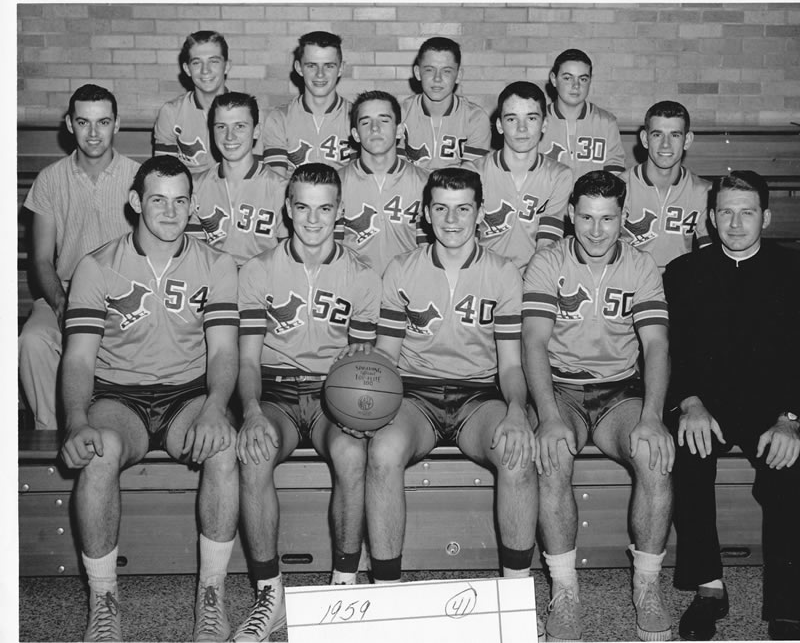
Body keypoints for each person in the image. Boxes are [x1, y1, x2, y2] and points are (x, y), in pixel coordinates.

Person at [60, 156, 240, 642]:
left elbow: (224, 350)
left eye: (181, 200)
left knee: (224, 450)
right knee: (99, 454)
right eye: (158, 199)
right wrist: (76, 421)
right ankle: (104, 601)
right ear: (136, 202)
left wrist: (214, 407)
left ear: (191, 205)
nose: (170, 210)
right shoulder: (96, 266)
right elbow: (78, 359)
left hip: (187, 394)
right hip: (120, 396)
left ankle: (211, 598)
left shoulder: (217, 263)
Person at [366, 167, 538, 585]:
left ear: (480, 213)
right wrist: (370, 406)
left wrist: (517, 410)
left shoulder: (504, 272)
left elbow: (512, 365)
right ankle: (386, 589)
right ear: (426, 213)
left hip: (478, 397)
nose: (452, 219)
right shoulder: (401, 269)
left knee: (517, 454)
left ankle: (515, 592)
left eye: (463, 209)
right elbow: (387, 356)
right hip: (415, 396)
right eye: (441, 208)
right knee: (382, 453)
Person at [522, 170, 674, 642]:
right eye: (586, 217)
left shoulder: (642, 265)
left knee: (654, 456)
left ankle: (646, 586)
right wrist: (547, 417)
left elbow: (656, 346)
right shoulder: (547, 262)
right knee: (551, 457)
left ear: (622, 217)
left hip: (617, 393)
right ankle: (564, 592)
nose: (595, 230)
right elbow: (533, 342)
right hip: (561, 391)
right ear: (571, 215)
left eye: (607, 219)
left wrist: (651, 416)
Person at [233, 163, 381, 641]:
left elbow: (361, 362)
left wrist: (360, 409)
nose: (313, 219)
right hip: (274, 388)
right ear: (287, 209)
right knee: (253, 455)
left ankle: (343, 586)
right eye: (302, 207)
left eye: (324, 209)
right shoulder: (257, 270)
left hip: (330, 391)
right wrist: (252, 412)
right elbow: (249, 361)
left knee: (353, 453)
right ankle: (268, 594)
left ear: (340, 212)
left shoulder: (361, 276)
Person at [664, 171, 800, 641]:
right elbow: (673, 351)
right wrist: (688, 403)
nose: (735, 222)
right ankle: (710, 589)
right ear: (711, 217)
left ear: (765, 217)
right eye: (725, 211)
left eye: (746, 212)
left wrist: (791, 419)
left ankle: (786, 608)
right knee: (688, 458)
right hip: (705, 404)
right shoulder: (684, 273)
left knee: (792, 478)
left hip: (772, 409)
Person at [19, 84, 140, 430]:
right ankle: (52, 432)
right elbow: (41, 259)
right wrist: (60, 303)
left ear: (117, 124)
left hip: (123, 293)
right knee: (32, 341)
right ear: (70, 124)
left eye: (103, 122)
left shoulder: (138, 178)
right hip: (67, 290)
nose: (93, 132)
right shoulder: (49, 180)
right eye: (84, 122)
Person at [465, 81, 573, 272]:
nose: (521, 128)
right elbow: (466, 243)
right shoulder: (474, 173)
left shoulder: (559, 176)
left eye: (531, 118)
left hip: (533, 277)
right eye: (512, 119)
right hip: (481, 276)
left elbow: (546, 245)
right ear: (499, 125)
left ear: (544, 124)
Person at [189, 92, 288, 266]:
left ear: (256, 131)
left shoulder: (281, 189)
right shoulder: (195, 186)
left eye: (239, 126)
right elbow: (193, 256)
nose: (229, 136)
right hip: (213, 285)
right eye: (221, 127)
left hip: (262, 286)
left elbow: (286, 261)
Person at [336, 90, 428, 274]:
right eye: (365, 122)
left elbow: (428, 251)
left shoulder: (426, 183)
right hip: (353, 289)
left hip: (408, 287)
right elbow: (331, 250)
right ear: (355, 134)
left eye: (384, 120)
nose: (375, 128)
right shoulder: (335, 183)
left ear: (399, 130)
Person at [621, 100, 712, 272]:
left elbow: (710, 255)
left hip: (679, 286)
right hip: (630, 285)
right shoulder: (620, 188)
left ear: (687, 140)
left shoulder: (704, 192)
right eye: (657, 134)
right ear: (644, 139)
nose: (665, 144)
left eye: (675, 135)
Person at [261, 31, 355, 178]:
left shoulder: (356, 117)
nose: (320, 74)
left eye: (329, 66)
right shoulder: (279, 118)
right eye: (312, 65)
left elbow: (358, 181)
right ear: (299, 68)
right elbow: (276, 185)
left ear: (341, 68)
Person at [398, 37, 491, 170]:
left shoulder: (474, 118)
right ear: (418, 73)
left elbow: (471, 177)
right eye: (429, 70)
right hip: (410, 189)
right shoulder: (400, 114)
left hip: (456, 189)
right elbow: (396, 173)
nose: (437, 78)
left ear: (458, 75)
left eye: (446, 71)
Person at [539, 49, 627, 178]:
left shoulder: (606, 122)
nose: (576, 85)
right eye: (568, 78)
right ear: (554, 79)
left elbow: (615, 170)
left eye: (583, 79)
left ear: (590, 80)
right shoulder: (537, 121)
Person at [154, 30, 230, 175]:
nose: (205, 70)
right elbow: (165, 175)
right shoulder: (171, 113)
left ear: (226, 66)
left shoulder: (247, 111)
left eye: (213, 61)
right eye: (196, 63)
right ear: (187, 69)